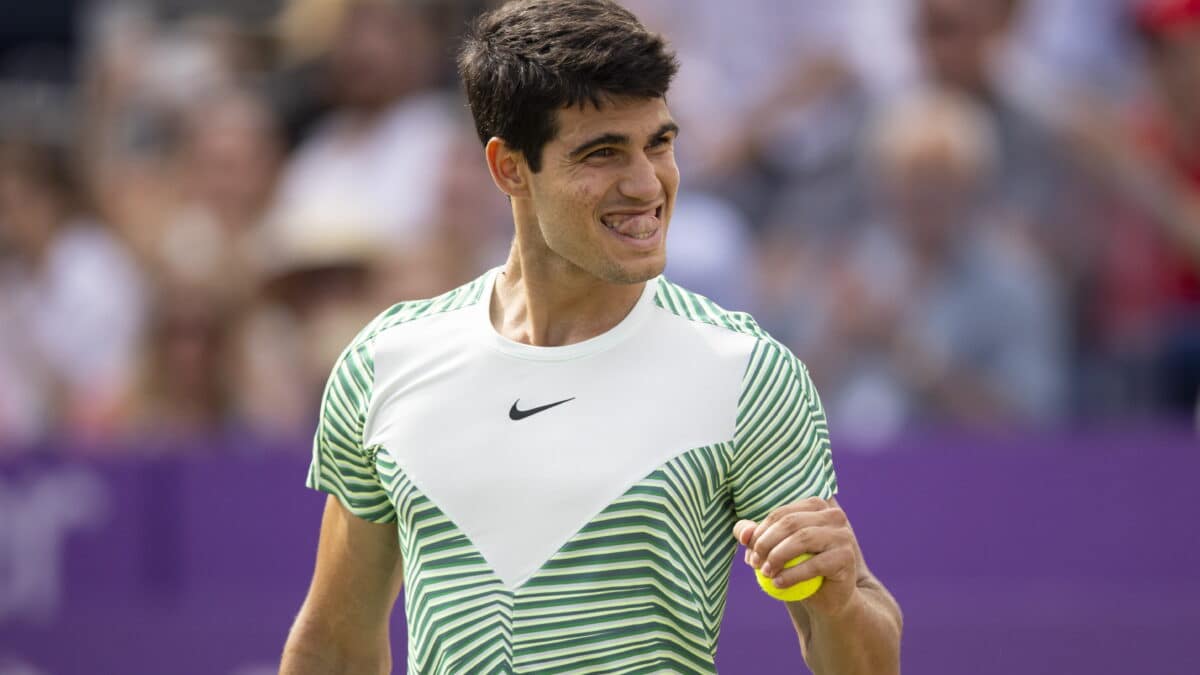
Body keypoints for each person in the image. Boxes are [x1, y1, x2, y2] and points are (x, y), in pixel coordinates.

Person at [279, 1, 902, 673]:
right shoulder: (386, 362)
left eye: (659, 142)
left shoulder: (747, 371)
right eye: (603, 153)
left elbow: (865, 660)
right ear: (510, 168)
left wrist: (840, 599)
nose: (646, 184)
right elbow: (335, 641)